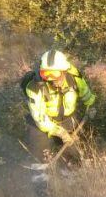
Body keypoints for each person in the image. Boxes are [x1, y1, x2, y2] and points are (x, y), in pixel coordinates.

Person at [22, 50, 96, 184]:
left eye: (55, 73)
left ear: (64, 71)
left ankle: (71, 185)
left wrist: (90, 106)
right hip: (41, 124)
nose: (51, 78)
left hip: (67, 119)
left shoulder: (75, 78)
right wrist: (61, 133)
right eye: (46, 74)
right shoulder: (33, 87)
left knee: (74, 154)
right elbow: (40, 118)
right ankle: (41, 192)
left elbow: (86, 94)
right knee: (40, 157)